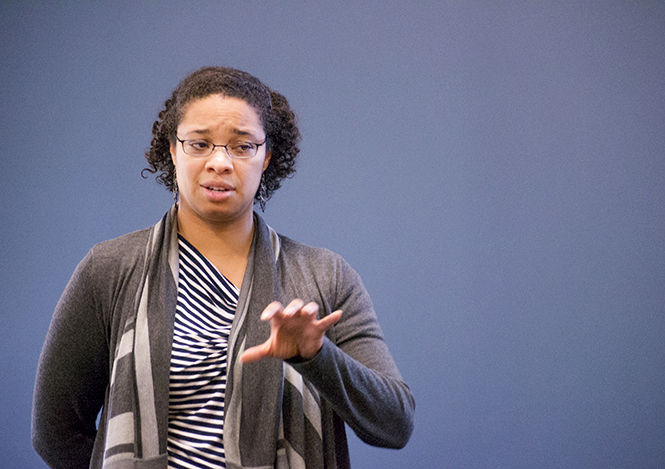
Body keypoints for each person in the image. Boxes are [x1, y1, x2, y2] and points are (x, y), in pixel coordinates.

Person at [32, 66, 415, 469]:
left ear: (267, 157)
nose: (220, 162)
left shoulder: (325, 276)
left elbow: (394, 424)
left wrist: (315, 356)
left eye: (242, 145)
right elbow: (55, 432)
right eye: (199, 144)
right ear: (172, 150)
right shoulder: (109, 269)